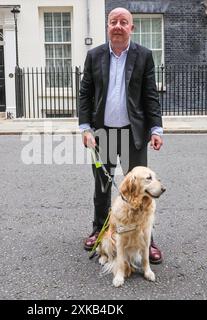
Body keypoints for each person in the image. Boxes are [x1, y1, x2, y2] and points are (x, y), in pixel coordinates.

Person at [79, 7, 164, 264]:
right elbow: (85, 94)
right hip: (102, 133)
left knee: (141, 187)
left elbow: (150, 94)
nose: (118, 26)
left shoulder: (144, 56)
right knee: (103, 185)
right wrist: (85, 128)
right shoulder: (94, 56)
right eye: (113, 21)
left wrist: (155, 129)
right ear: (108, 26)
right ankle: (101, 228)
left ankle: (146, 238)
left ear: (131, 28)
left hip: (133, 133)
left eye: (123, 22)